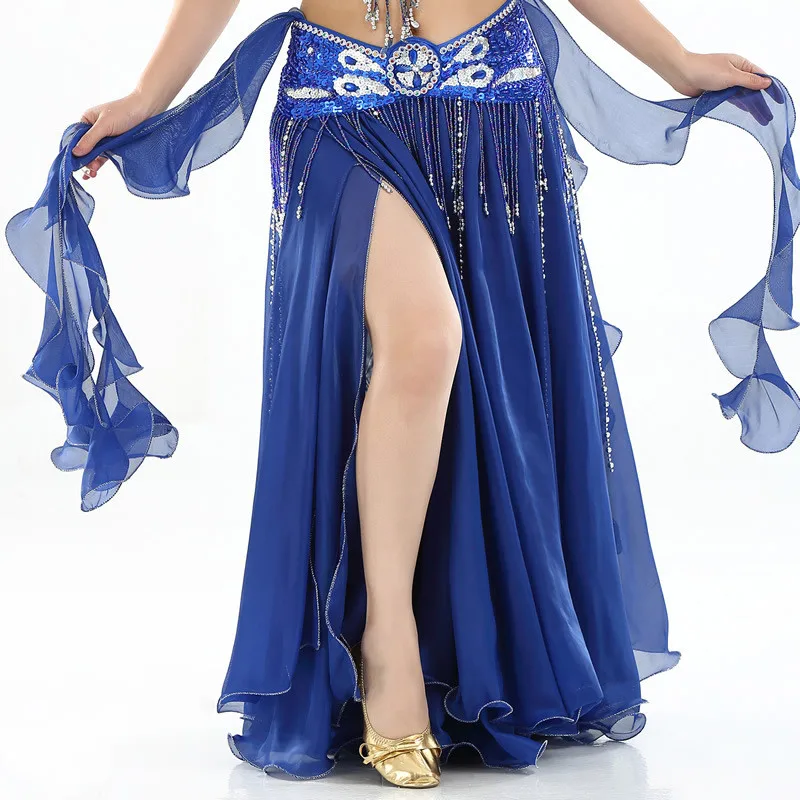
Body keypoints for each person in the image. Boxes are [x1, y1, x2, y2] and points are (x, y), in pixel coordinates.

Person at [8, 0, 799, 788]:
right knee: (426, 339)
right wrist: (150, 95)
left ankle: (480, 652)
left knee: (479, 376)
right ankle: (388, 638)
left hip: (494, 106)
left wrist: (675, 60)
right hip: (337, 107)